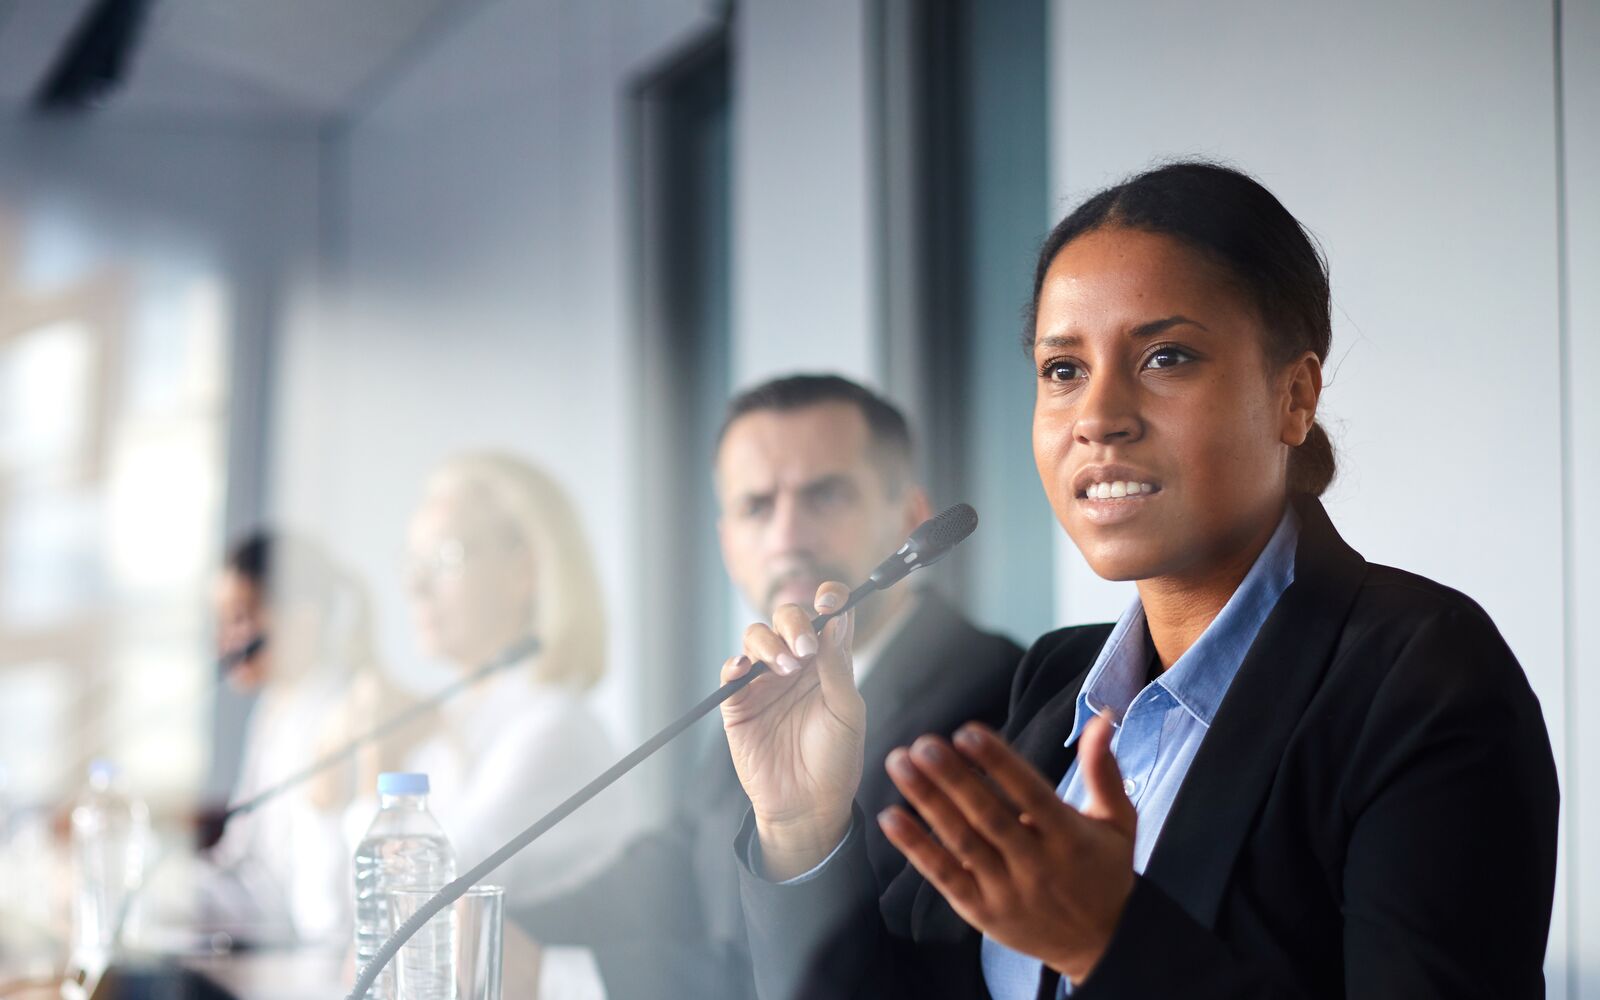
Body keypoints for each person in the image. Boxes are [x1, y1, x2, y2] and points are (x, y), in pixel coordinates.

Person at [725, 162, 1560, 998]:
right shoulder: (1057, 687)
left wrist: (1111, 946)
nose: (1097, 417)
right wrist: (800, 827)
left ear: (1294, 397)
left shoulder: (1420, 676)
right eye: (1063, 370)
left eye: (1166, 356)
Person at [514, 375, 1025, 999]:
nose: (787, 538)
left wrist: (557, 975)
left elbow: (856, 965)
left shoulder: (998, 694)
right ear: (728, 542)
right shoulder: (765, 684)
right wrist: (502, 927)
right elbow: (671, 872)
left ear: (910, 518)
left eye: (826, 496)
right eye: (757, 507)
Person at [398, 452, 631, 909]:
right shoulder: (448, 726)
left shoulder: (554, 728)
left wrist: (372, 784)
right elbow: (328, 916)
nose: (415, 586)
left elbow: (423, 902)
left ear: (522, 572)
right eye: (413, 561)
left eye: (444, 558)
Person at [205, 529, 407, 945]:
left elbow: (302, 893)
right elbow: (238, 854)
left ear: (302, 619)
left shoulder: (339, 714)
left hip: (302, 942)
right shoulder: (273, 707)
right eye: (220, 621)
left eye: (240, 618)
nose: (223, 642)